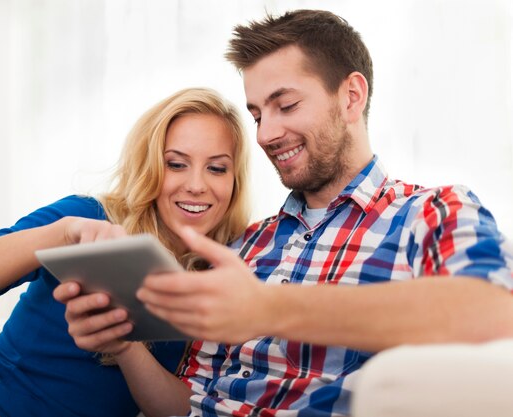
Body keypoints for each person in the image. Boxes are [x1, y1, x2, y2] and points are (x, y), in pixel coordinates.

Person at [54, 9, 513, 417]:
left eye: (286, 105)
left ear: (351, 96)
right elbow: (185, 405)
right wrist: (125, 345)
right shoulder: (245, 246)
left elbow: (494, 312)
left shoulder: (429, 213)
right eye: (256, 115)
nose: (265, 134)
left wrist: (268, 307)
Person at [0, 87, 251, 417]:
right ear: (151, 166)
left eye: (216, 168)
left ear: (234, 181)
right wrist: (61, 234)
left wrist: (126, 348)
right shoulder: (88, 217)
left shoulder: (231, 275)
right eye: (176, 164)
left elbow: (183, 410)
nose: (196, 185)